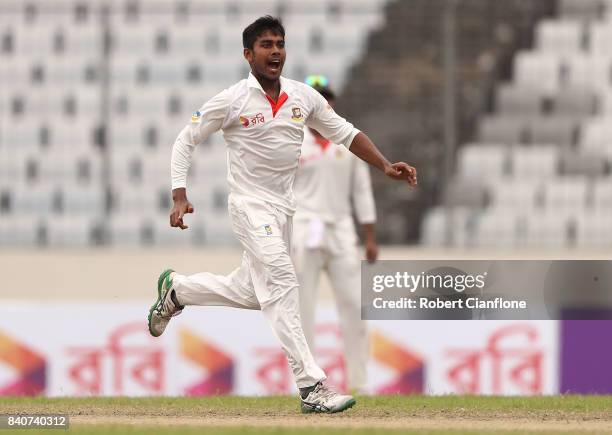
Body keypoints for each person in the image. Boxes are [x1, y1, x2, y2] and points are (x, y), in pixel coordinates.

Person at [147, 16, 417, 413]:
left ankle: (178, 291)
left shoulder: (302, 97)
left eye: (280, 44)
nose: (275, 52)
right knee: (284, 280)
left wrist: (384, 165)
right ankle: (312, 385)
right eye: (266, 45)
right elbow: (186, 139)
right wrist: (179, 193)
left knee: (254, 293)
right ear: (248, 54)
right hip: (248, 206)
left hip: (282, 209)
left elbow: (345, 132)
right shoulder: (233, 99)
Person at [292, 75, 377, 393]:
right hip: (303, 231)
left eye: (326, 97)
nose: (323, 102)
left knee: (355, 305)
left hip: (341, 231)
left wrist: (370, 236)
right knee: (303, 311)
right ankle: (307, 384)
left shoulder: (345, 137)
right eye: (316, 96)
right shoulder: (293, 138)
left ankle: (360, 381)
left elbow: (362, 191)